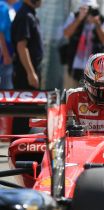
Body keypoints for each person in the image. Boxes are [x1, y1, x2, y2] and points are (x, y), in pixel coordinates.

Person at [63, 0, 104, 87]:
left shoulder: (102, 20)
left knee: (93, 93)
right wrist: (79, 19)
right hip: (75, 64)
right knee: (74, 92)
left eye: (90, 8)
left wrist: (97, 24)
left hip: (95, 65)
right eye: (85, 8)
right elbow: (66, 33)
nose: (88, 12)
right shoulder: (74, 17)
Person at [11, 0, 43, 134]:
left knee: (29, 112)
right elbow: (21, 46)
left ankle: (24, 148)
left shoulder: (30, 14)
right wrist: (30, 73)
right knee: (23, 113)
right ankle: (20, 148)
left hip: (29, 72)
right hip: (25, 74)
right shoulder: (25, 16)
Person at [0, 0, 17, 90]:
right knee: (6, 88)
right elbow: (0, 32)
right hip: (4, 51)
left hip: (7, 49)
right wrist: (6, 55)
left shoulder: (8, 7)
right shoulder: (2, 7)